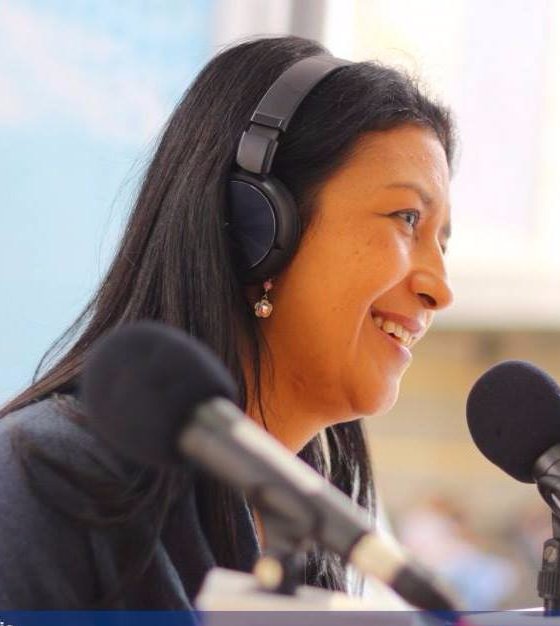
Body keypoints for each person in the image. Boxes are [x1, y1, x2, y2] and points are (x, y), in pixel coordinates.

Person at [0, 35, 455, 609]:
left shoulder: (306, 539)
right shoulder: (44, 479)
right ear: (256, 227)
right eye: (406, 217)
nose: (440, 287)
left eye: (442, 240)